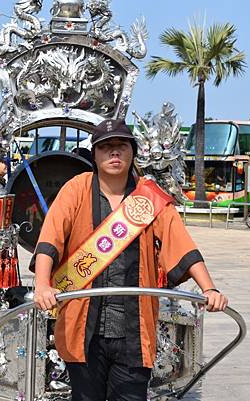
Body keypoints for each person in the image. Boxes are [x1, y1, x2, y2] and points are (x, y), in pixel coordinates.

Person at [33, 119, 228, 401]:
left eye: (121, 146)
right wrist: (42, 284)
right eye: (106, 147)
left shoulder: (148, 197)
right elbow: (50, 240)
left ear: (132, 152)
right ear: (95, 154)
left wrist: (209, 288)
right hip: (82, 327)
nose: (114, 153)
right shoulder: (76, 189)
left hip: (133, 331)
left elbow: (181, 243)